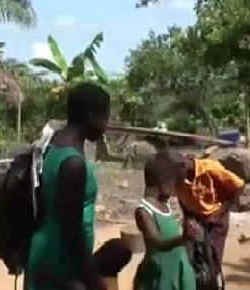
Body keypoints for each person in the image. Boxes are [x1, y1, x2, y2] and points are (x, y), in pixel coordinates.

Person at [24, 82, 114, 290]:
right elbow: (71, 230)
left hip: (49, 251)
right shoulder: (73, 163)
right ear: (92, 116)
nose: (105, 125)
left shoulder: (54, 143)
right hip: (58, 258)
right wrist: (92, 280)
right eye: (105, 118)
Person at [156, 149, 244, 287]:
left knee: (211, 262)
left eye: (174, 177)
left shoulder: (210, 168)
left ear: (183, 167)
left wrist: (218, 213)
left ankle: (211, 284)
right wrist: (188, 217)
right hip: (194, 218)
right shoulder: (178, 178)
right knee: (192, 260)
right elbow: (182, 197)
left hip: (215, 221)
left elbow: (238, 187)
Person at [133, 158, 198, 290]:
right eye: (173, 185)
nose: (174, 190)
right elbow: (157, 242)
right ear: (163, 183)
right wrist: (183, 238)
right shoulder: (144, 211)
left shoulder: (166, 205)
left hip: (178, 267)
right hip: (159, 272)